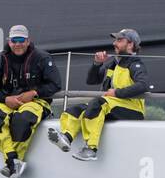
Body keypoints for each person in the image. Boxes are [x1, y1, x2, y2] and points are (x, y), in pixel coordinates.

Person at [49, 29, 151, 161]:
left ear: (130, 45)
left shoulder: (136, 64)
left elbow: (143, 85)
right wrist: (97, 64)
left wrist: (116, 92)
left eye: (119, 40)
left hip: (133, 110)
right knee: (75, 109)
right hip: (111, 105)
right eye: (115, 40)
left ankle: (91, 149)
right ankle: (66, 137)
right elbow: (91, 81)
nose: (114, 43)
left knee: (98, 103)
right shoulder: (114, 63)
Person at [0, 25, 62, 178]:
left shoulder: (42, 57)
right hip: (6, 100)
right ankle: (13, 160)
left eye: (21, 40)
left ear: (28, 41)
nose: (17, 44)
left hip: (36, 101)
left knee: (22, 120)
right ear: (9, 41)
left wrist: (34, 93)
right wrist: (4, 99)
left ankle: (13, 162)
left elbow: (55, 85)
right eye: (14, 40)